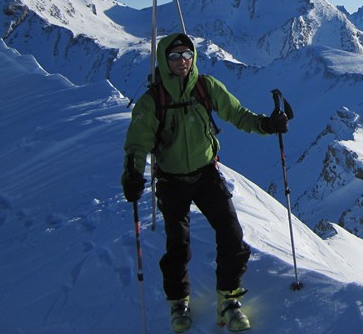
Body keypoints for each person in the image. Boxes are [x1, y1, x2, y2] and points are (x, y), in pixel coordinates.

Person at [121, 33, 288, 333]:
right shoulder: (152, 101)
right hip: (171, 181)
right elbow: (137, 143)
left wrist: (267, 124)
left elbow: (237, 114)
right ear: (163, 60)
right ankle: (178, 301)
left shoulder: (206, 87)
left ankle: (228, 298)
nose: (182, 62)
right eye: (174, 57)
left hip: (206, 174)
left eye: (187, 55)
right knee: (177, 245)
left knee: (232, 234)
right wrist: (133, 172)